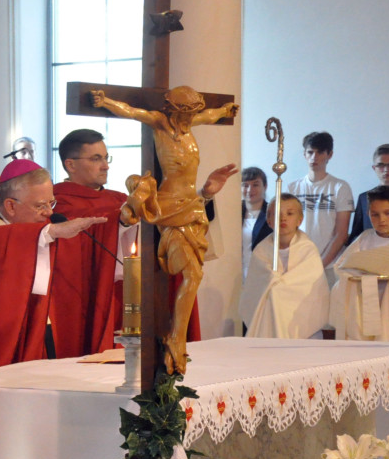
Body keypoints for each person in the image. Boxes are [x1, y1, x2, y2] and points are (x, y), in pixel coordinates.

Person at [93, 85, 240, 373]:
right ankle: (176, 339)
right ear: (172, 111)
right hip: (170, 206)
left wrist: (225, 110)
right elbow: (130, 111)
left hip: (192, 206)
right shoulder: (159, 123)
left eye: (192, 114)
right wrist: (106, 101)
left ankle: (177, 338)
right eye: (185, 114)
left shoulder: (192, 122)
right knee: (192, 274)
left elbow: (212, 115)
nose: (189, 120)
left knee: (195, 274)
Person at [0, 159, 107, 372]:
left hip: (38, 329)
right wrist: (50, 232)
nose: (49, 213)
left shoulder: (36, 227)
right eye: (40, 206)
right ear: (10, 206)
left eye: (51, 203)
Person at [51, 129, 133, 357]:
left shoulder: (120, 200)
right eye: (96, 159)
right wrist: (120, 220)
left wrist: (202, 196)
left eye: (106, 158)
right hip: (85, 295)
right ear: (70, 164)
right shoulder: (57, 203)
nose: (105, 166)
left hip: (124, 294)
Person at [329, 184, 389, 341]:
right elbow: (341, 270)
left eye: (388, 213)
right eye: (375, 214)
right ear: (368, 214)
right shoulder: (362, 241)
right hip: (362, 312)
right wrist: (356, 275)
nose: (382, 220)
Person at [239, 194, 329, 338]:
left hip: (301, 322)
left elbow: (310, 287)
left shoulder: (308, 249)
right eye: (277, 214)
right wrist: (272, 284)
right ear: (269, 221)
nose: (283, 218)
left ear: (300, 220)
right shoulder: (261, 250)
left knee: (276, 292)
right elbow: (254, 289)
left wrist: (279, 287)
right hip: (269, 320)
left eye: (290, 213)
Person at [288, 131, 353, 270]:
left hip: (330, 266)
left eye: (320, 152)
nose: (314, 157)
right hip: (298, 263)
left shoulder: (340, 187)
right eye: (310, 152)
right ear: (304, 154)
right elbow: (288, 228)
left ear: (330, 154)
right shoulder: (292, 188)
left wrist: (320, 264)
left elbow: (341, 234)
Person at [241, 166, 271, 272]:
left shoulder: (273, 213)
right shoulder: (233, 212)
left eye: (255, 185)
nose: (250, 190)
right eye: (245, 185)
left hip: (263, 271)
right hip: (236, 271)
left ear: (265, 186)